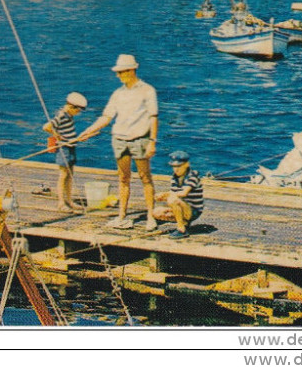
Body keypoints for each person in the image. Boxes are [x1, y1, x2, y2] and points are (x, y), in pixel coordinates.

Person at [78, 54, 159, 230]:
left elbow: (153, 117)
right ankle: (121, 215)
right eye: (118, 72)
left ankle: (151, 216)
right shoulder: (118, 94)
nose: (118, 75)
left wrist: (152, 141)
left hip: (140, 140)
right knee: (123, 178)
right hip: (119, 140)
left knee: (145, 178)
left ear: (131, 70)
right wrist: (87, 131)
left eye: (121, 72)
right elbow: (107, 116)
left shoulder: (147, 90)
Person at [42, 92, 88, 212]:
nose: (78, 113)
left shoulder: (69, 116)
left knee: (70, 175)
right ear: (72, 107)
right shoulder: (62, 116)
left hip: (71, 146)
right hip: (64, 149)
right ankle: (61, 203)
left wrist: (77, 138)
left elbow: (68, 131)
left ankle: (69, 200)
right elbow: (46, 127)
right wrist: (57, 136)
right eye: (77, 110)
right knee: (63, 176)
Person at [152, 150, 204, 238]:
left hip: (193, 209)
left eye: (179, 166)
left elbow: (184, 193)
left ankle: (181, 229)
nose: (176, 169)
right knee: (156, 212)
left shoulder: (193, 175)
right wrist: (162, 195)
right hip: (183, 206)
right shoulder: (175, 177)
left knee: (172, 199)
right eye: (174, 166)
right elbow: (173, 192)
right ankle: (184, 222)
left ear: (186, 165)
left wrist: (168, 195)